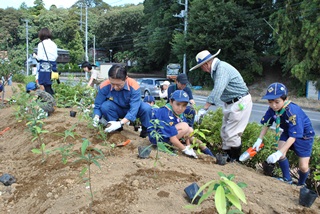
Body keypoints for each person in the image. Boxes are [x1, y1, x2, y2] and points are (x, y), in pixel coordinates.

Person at [190, 49, 253, 162]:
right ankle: (227, 157)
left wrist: (204, 109)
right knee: (224, 131)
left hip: (240, 101)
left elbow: (218, 89)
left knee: (232, 133)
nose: (202, 70)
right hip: (230, 102)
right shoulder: (216, 70)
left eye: (201, 67)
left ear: (206, 64)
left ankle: (235, 160)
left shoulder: (221, 69)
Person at [252, 82, 314, 185]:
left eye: (277, 102)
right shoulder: (272, 109)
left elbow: (294, 136)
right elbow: (267, 124)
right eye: (270, 102)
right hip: (288, 132)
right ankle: (287, 179)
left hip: (304, 136)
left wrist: (279, 152)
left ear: (285, 99)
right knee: (280, 153)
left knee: (303, 166)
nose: (273, 105)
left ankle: (301, 184)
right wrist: (259, 139)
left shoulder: (292, 112)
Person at [148, 90, 214, 158]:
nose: (180, 108)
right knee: (185, 126)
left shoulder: (180, 114)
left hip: (169, 136)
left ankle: (211, 155)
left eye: (184, 105)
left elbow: (187, 133)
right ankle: (168, 146)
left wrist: (188, 146)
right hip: (158, 140)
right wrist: (184, 149)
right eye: (178, 104)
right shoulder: (165, 112)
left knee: (190, 130)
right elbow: (172, 137)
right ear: (171, 102)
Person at [92, 65, 152, 138]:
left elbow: (133, 110)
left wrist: (120, 123)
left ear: (126, 78)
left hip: (133, 109)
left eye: (118, 85)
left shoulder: (134, 86)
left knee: (146, 108)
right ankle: (116, 129)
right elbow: (97, 105)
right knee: (105, 106)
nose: (115, 87)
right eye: (112, 84)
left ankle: (145, 131)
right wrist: (96, 116)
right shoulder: (104, 86)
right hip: (117, 109)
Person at [33, 27, 58, 96]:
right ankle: (51, 98)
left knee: (44, 84)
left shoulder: (41, 44)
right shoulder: (54, 44)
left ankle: (51, 99)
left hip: (44, 66)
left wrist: (35, 56)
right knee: (49, 84)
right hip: (53, 65)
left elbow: (40, 57)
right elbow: (55, 56)